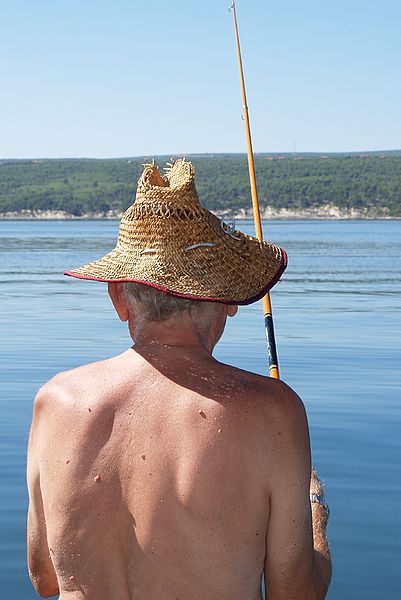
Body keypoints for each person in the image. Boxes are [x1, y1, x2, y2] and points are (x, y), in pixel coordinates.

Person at [27, 159, 332, 599]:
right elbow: (294, 594)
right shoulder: (273, 411)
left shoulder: (55, 402)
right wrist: (315, 516)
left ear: (119, 297)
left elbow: (45, 578)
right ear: (228, 298)